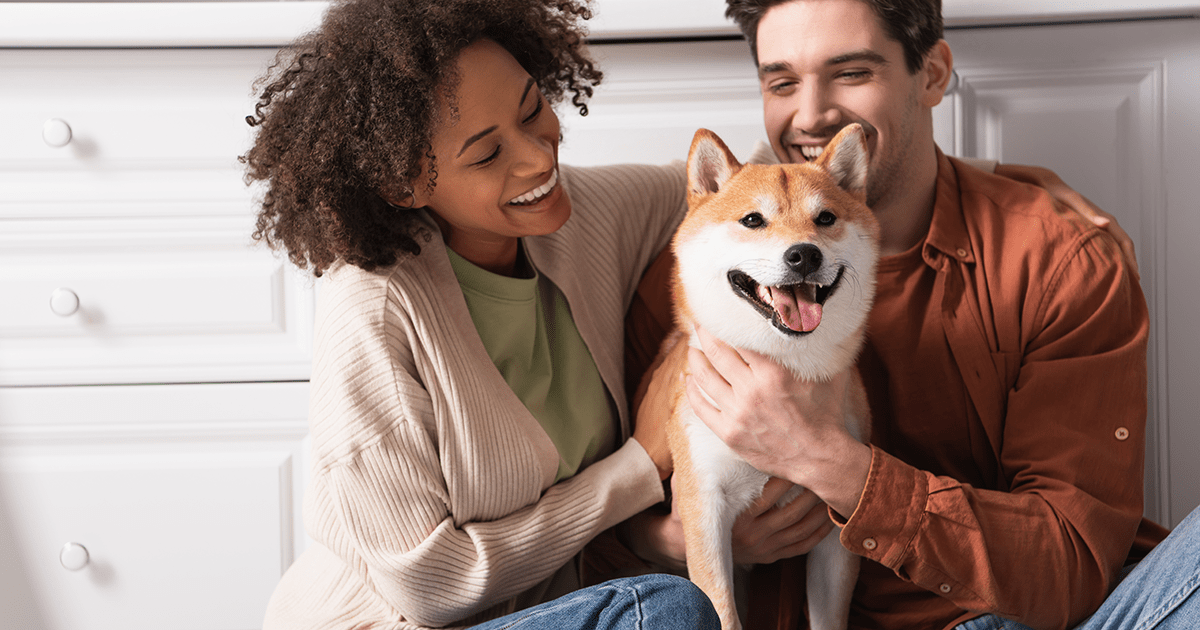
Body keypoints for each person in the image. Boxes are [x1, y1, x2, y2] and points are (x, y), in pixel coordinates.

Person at [628, 0, 1199, 628]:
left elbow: (1072, 564)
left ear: (932, 75)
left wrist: (830, 464)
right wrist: (678, 541)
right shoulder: (701, 275)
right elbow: (618, 525)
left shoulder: (1056, 262)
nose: (811, 113)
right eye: (782, 82)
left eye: (851, 73)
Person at [241, 0, 719, 627]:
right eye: (487, 155)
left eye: (531, 110)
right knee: (666, 612)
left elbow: (735, 194)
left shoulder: (581, 214)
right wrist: (637, 466)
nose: (539, 160)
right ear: (405, 185)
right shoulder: (374, 309)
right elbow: (428, 587)